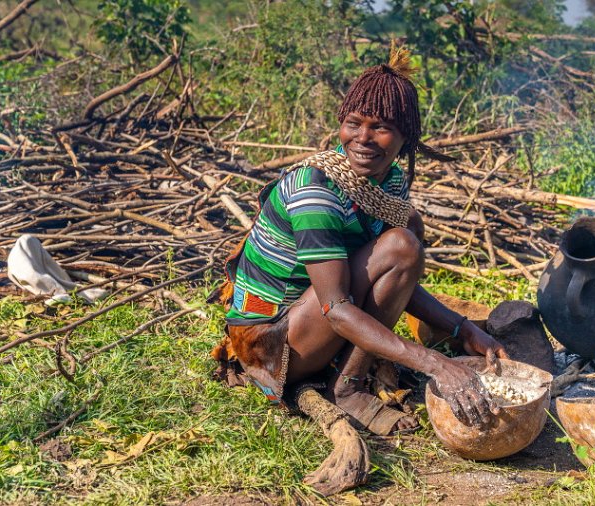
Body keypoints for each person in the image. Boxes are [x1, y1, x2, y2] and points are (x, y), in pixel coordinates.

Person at [216, 48, 507, 435]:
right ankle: (347, 388)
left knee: (404, 242)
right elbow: (336, 308)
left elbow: (392, 276)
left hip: (311, 319)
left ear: (406, 140)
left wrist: (464, 330)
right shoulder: (316, 192)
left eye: (381, 127)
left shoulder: (388, 182)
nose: (363, 138)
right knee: (402, 244)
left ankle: (348, 372)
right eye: (354, 123)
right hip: (270, 344)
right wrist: (438, 365)